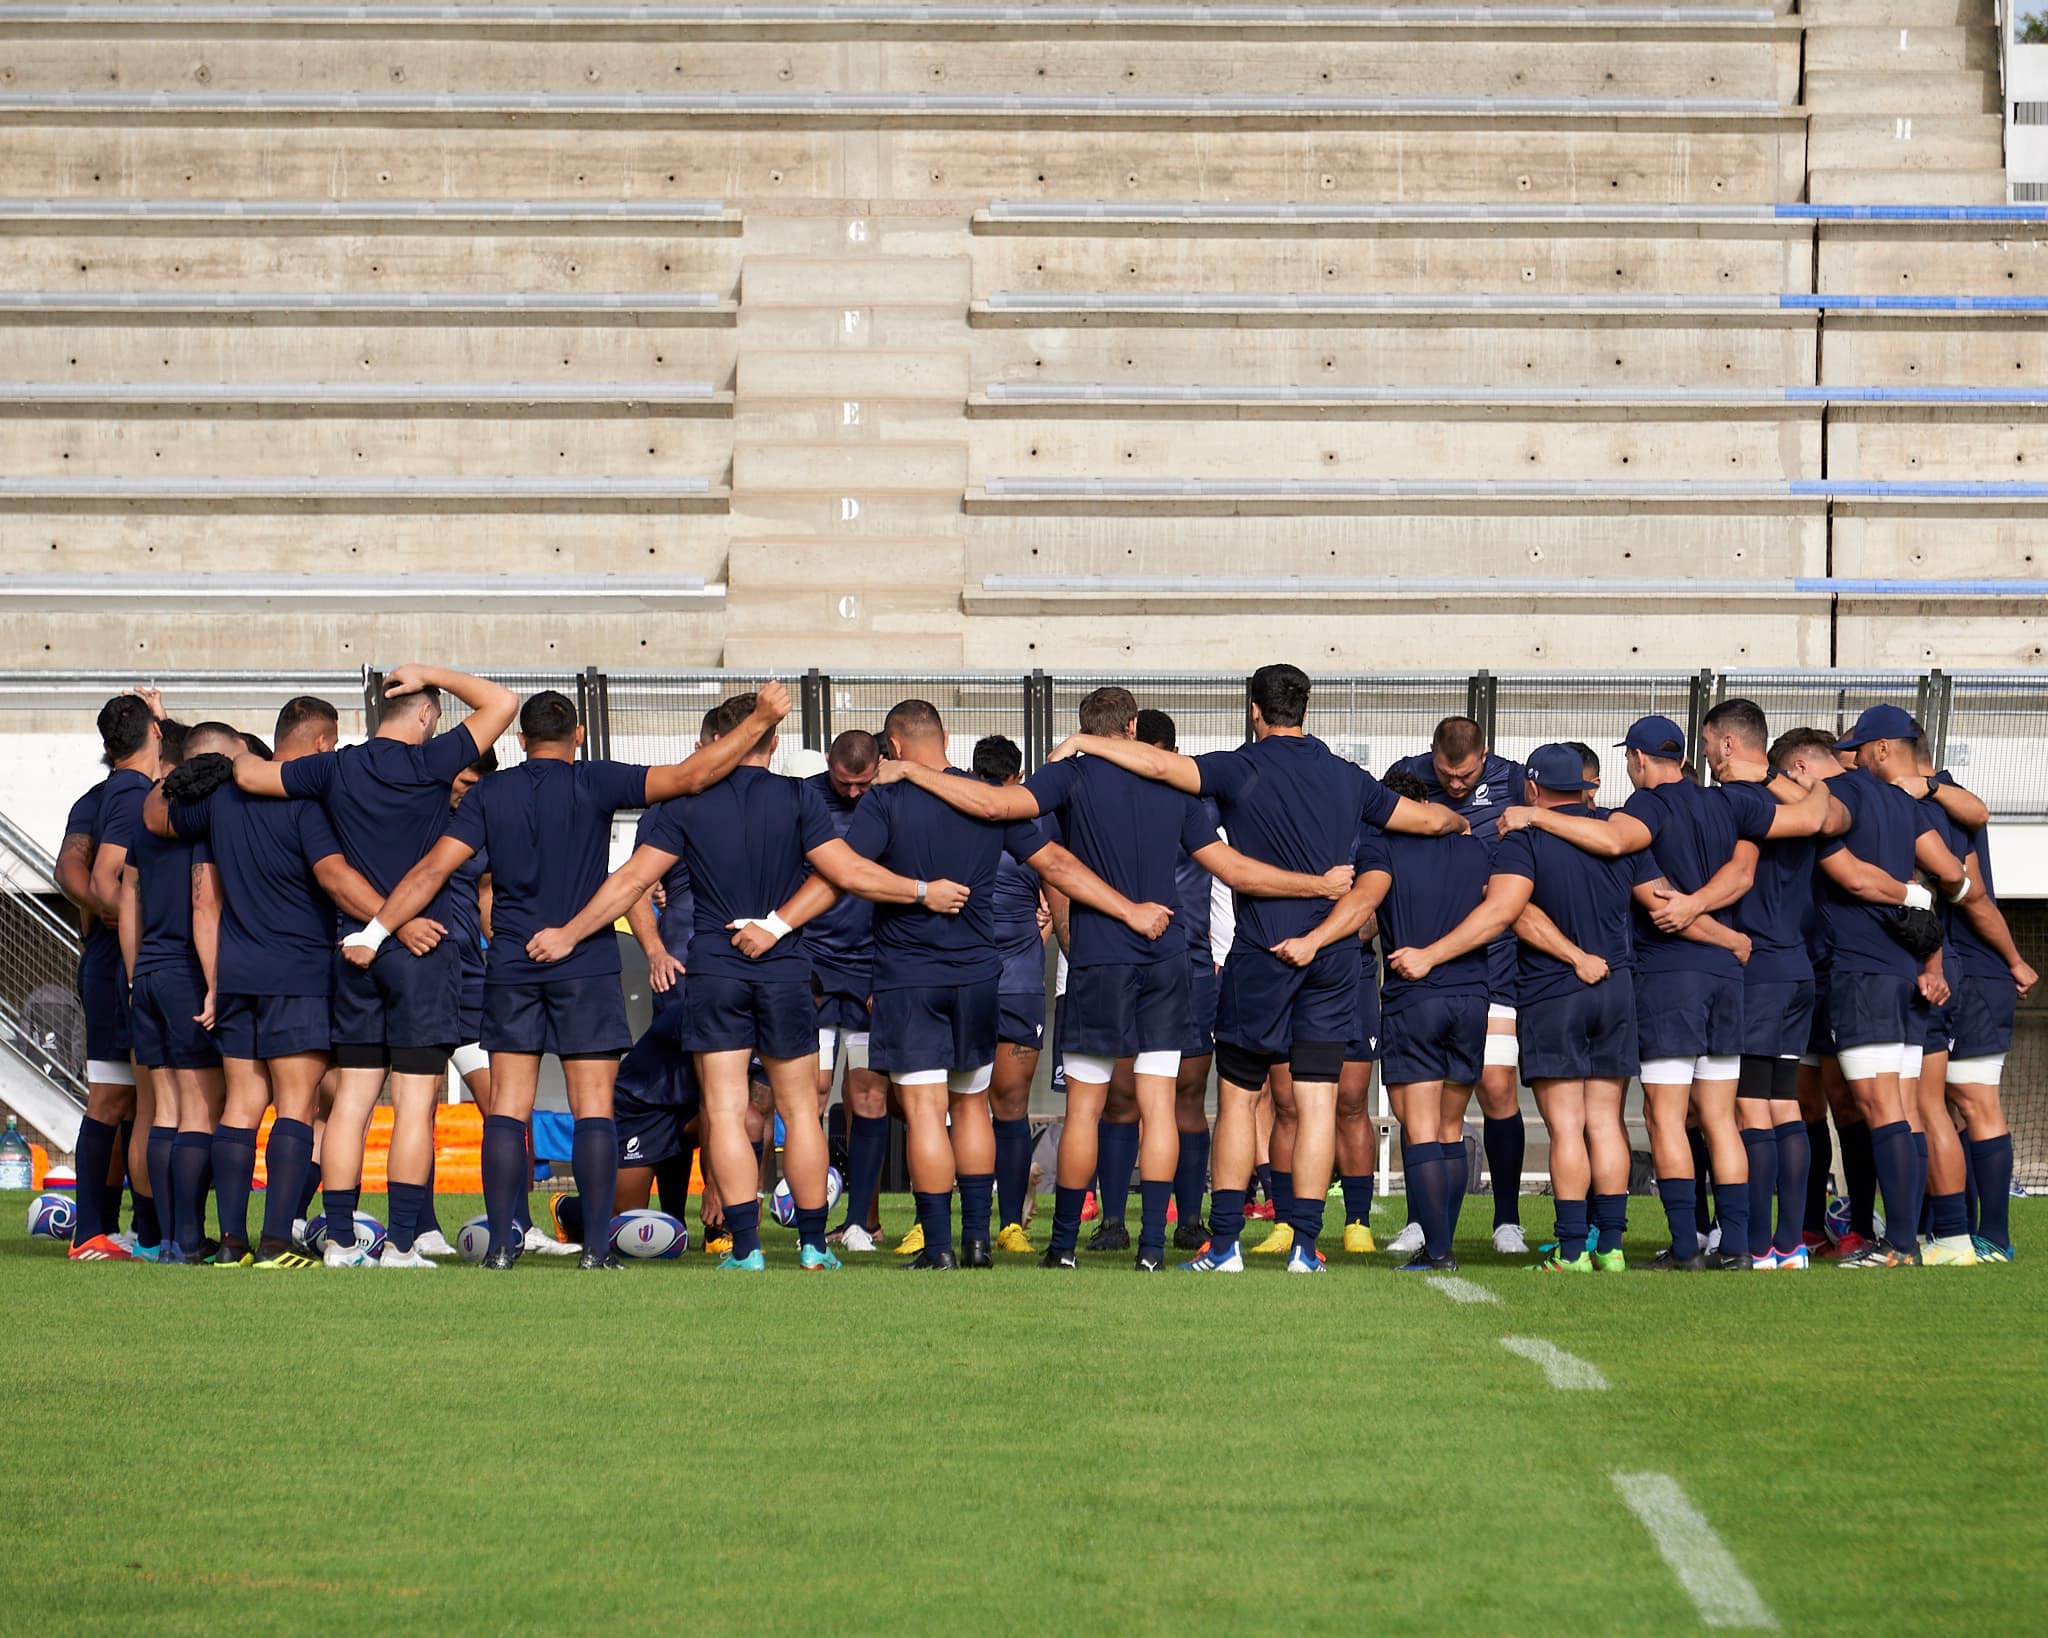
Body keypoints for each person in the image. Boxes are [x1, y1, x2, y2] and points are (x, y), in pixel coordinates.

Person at [882, 686, 1352, 1271]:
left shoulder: (1071, 776)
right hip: (1166, 955)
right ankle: (1152, 1248)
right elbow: (1230, 868)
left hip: (1101, 955)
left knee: (1086, 1106)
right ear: (1133, 728)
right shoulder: (1170, 784)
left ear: (1087, 726)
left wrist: (908, 772)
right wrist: (1316, 886)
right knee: (1159, 1104)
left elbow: (998, 809)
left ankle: (1062, 1248)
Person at [1037, 663, 1468, 1275]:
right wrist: (1462, 820)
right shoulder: (1348, 778)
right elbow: (1425, 820)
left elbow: (1161, 766)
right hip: (1334, 958)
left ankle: (1229, 1245)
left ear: (1254, 710)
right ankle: (1304, 1248)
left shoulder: (1239, 766)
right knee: (1317, 1101)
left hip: (1262, 954)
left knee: (1239, 1101)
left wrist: (1083, 742)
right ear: (1306, 710)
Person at [348, 683, 796, 1270]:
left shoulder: (492, 792)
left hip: (512, 959)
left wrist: (375, 931)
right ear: (578, 736)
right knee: (593, 1108)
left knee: (508, 1108)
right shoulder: (596, 779)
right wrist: (759, 719)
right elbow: (690, 776)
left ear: (519, 739)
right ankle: (594, 1252)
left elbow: (433, 868)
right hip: (584, 958)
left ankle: (504, 1247)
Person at [528, 691, 944, 1273]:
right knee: (800, 1113)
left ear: (720, 744)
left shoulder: (686, 803)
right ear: (771, 742)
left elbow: (631, 883)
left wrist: (570, 933)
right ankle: (813, 1245)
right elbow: (846, 873)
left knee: (723, 1111)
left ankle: (745, 1249)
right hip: (784, 964)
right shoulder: (800, 797)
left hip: (716, 967)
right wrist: (922, 891)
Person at [770, 698, 1164, 1270]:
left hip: (908, 977)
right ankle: (978, 1240)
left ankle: (940, 1248)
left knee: (928, 1113)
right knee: (973, 1105)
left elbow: (843, 873)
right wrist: (1128, 909)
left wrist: (779, 923)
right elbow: (1055, 864)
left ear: (895, 748)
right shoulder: (985, 800)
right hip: (981, 976)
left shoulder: (887, 799)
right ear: (946, 737)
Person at [1498, 715, 1819, 1269]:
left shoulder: (1644, 807)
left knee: (1666, 1119)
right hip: (1726, 976)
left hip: (1670, 976)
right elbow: (1814, 819)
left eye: (1629, 759)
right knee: (1723, 1118)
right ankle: (1740, 1246)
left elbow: (1627, 858)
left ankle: (1686, 1246)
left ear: (1640, 760)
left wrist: (1533, 816)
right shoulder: (1727, 802)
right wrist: (1730, 936)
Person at [236, 664, 520, 1265]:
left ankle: (339, 1239)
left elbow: (249, 774)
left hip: (355, 951)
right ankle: (398, 1242)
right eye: (434, 712)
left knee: (353, 1103)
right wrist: (431, 672)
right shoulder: (432, 762)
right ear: (425, 715)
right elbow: (503, 702)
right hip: (423, 949)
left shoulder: (335, 766)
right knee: (415, 1105)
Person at [144, 698, 393, 1268]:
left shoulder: (220, 802)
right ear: (323, 744)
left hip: (236, 974)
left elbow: (155, 816)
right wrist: (390, 918)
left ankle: (232, 1241)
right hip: (299, 974)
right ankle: (277, 1239)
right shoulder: (307, 803)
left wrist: (195, 770)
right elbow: (333, 877)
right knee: (297, 1107)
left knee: (241, 1105)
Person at [1391, 745, 1655, 1273]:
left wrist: (1573, 957)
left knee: (1566, 1127)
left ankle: (1574, 1248)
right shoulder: (1619, 836)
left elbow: (1509, 913)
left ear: (1532, 789)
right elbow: (1661, 900)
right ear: (1588, 787)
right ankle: (1613, 1247)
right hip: (1617, 986)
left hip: (1556, 989)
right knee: (1606, 1121)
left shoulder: (1524, 840)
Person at [1285, 767, 1490, 1270]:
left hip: (1415, 997)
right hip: (1473, 999)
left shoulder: (1382, 849)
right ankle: (1442, 1242)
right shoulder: (1475, 848)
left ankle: (1437, 1249)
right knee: (1449, 1127)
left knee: (1419, 1128)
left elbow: (1364, 907)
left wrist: (1314, 939)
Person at [1805, 705, 1973, 1269]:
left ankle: (1898, 1245)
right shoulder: (1908, 804)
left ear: (1876, 749)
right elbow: (1950, 872)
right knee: (1901, 1108)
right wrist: (1919, 892)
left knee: (1882, 1110)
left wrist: (1810, 809)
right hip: (1906, 974)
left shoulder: (1842, 792)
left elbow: (1841, 860)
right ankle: (1906, 1241)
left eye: (1854, 748)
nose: (1848, 757)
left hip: (1861, 973)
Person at [1693, 700, 1846, 1268]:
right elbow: (1824, 817)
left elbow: (1742, 872)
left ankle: (1758, 1244)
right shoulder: (1798, 794)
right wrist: (1785, 780)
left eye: (1709, 742)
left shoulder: (1734, 801)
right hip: (1797, 972)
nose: (1705, 754)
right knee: (1786, 1109)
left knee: (1750, 1112)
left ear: (1728, 744)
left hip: (1755, 972)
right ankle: (1790, 1244)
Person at [1391, 717, 1532, 1254]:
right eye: (1447, 775)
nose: (1456, 785)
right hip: (1419, 963)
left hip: (1490, 963)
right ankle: (1420, 1220)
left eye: (1466, 775)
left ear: (1486, 757)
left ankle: (1507, 1219)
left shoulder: (1515, 782)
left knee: (1495, 1087)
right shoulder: (1405, 777)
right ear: (1431, 757)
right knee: (1420, 1103)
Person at [108, 720, 240, 1262]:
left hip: (151, 975)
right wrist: (213, 986)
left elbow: (126, 904)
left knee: (162, 1111)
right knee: (198, 1114)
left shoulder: (148, 823)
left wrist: (138, 977)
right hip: (188, 972)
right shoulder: (201, 825)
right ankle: (188, 1240)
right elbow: (204, 905)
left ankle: (164, 1240)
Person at [58, 691, 165, 1260]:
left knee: (129, 1100)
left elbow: (69, 864)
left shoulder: (105, 793)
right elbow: (93, 874)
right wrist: (115, 909)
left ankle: (116, 1230)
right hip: (115, 964)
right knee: (121, 1100)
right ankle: (104, 1231)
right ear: (153, 731)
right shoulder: (128, 795)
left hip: (108, 960)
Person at [1925, 760, 2037, 1261]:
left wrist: (2014, 960)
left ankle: (1992, 1236)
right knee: (1944, 1105)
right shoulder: (1943, 800)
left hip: (1972, 972)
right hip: (1964, 970)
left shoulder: (1941, 801)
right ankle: (1954, 1230)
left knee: (1972, 1103)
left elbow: (1974, 898)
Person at [1134, 709, 1231, 1252]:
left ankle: (1190, 1218)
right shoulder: (1110, 799)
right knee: (1121, 1097)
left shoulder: (1199, 805)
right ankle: (1117, 1222)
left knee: (1187, 1095)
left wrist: (1220, 949)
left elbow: (1226, 877)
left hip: (1191, 964)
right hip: (1124, 958)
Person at [803, 730, 894, 1253]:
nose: (855, 794)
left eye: (863, 783)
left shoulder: (892, 801)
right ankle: (810, 1218)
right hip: (812, 968)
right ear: (830, 768)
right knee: (810, 1093)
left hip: (870, 971)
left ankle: (861, 1222)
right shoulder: (803, 800)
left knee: (868, 1096)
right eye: (845, 782)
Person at [971, 735, 1051, 1254]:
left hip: (969, 980)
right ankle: (1008, 1225)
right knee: (1010, 1107)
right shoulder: (1036, 827)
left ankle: (978, 1225)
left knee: (962, 1104)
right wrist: (1036, 939)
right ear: (1018, 778)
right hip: (1017, 982)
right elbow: (1055, 899)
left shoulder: (957, 818)